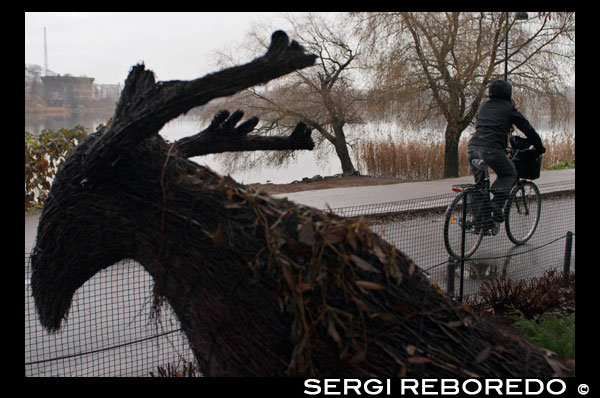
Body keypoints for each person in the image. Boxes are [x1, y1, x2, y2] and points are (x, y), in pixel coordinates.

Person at [467, 79, 546, 230]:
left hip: (472, 148)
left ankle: (480, 220)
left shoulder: (483, 106)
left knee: (481, 186)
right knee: (509, 174)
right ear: (508, 93)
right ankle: (496, 204)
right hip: (491, 150)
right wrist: (539, 146)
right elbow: (527, 129)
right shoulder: (509, 108)